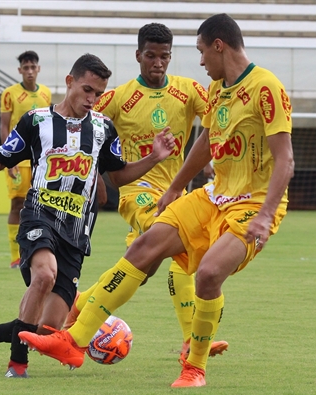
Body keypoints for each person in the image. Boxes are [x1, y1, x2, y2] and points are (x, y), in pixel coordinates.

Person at [17, 13, 295, 388]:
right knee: (146, 247)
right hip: (206, 196)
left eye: (200, 52)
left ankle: (194, 367)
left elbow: (286, 160)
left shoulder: (266, 88)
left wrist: (263, 215)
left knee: (208, 274)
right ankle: (74, 341)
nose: (198, 62)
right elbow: (205, 143)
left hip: (253, 205)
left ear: (219, 46)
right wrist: (174, 188)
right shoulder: (216, 90)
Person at [0, 53, 176, 378]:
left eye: (98, 93)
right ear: (69, 82)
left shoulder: (103, 129)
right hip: (39, 218)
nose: (93, 99)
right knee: (44, 276)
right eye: (87, 90)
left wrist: (153, 157)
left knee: (47, 329)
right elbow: (0, 158)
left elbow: (119, 176)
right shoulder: (36, 122)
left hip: (76, 234)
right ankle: (16, 366)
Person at [69, 22, 228, 360]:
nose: (158, 63)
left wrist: (219, 161)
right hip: (136, 191)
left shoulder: (188, 90)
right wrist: (94, 177)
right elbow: (82, 127)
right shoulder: (119, 97)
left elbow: (217, 123)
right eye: (151, 56)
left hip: (174, 191)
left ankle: (80, 304)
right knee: (176, 248)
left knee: (138, 271)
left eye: (164, 56)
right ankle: (190, 340)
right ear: (138, 55)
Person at [0, 50, 52, 269]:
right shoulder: (10, 94)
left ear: (38, 69)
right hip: (18, 158)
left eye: (33, 67)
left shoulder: (46, 93)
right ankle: (15, 256)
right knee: (17, 204)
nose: (30, 72)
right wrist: (8, 158)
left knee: (40, 204)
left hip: (39, 157)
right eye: (26, 68)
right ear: (20, 70)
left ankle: (35, 249)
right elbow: (4, 125)